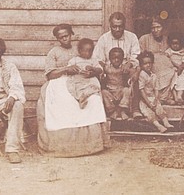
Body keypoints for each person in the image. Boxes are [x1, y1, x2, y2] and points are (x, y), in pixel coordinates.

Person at [37, 24, 108, 157]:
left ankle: (92, 144)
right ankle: (64, 145)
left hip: (80, 80)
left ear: (71, 34)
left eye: (67, 36)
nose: (64, 39)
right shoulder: (54, 52)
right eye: (61, 37)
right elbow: (49, 75)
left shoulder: (80, 49)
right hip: (59, 81)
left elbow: (93, 63)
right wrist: (65, 69)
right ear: (57, 39)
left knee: (94, 99)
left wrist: (90, 71)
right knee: (65, 101)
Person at [93, 12, 142, 118]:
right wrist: (103, 69)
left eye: (120, 26)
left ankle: (134, 108)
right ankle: (107, 110)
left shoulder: (132, 37)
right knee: (99, 77)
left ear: (124, 25)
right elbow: (98, 58)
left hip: (126, 69)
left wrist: (129, 64)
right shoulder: (104, 39)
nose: (117, 29)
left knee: (136, 74)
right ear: (110, 26)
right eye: (114, 26)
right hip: (109, 70)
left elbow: (136, 55)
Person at [139, 16, 177, 105]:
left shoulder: (167, 39)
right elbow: (141, 56)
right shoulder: (144, 39)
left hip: (166, 66)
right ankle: (160, 98)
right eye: (153, 27)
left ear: (163, 28)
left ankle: (165, 97)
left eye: (158, 27)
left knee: (173, 72)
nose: (155, 30)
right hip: (151, 66)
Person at [137, 51, 174, 133]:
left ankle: (166, 123)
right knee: (149, 113)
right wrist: (148, 103)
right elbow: (141, 90)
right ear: (141, 65)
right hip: (145, 100)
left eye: (150, 63)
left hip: (153, 98)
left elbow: (156, 88)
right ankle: (159, 126)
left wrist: (156, 99)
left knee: (159, 108)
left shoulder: (153, 75)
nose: (148, 65)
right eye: (145, 63)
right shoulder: (142, 75)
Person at [66, 38, 103, 109]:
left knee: (94, 88)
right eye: (85, 51)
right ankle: (81, 99)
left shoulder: (93, 60)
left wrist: (93, 69)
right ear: (80, 51)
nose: (88, 53)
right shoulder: (75, 60)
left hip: (90, 79)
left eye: (90, 51)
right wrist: (74, 69)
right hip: (78, 78)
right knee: (77, 87)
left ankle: (85, 96)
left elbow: (100, 70)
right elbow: (68, 70)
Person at [101, 47, 131, 120]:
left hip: (120, 90)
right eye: (114, 58)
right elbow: (100, 65)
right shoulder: (107, 68)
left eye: (119, 58)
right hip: (110, 91)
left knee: (127, 90)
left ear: (122, 59)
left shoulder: (124, 68)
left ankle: (122, 110)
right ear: (110, 59)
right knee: (104, 92)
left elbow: (133, 68)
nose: (116, 60)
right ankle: (112, 111)